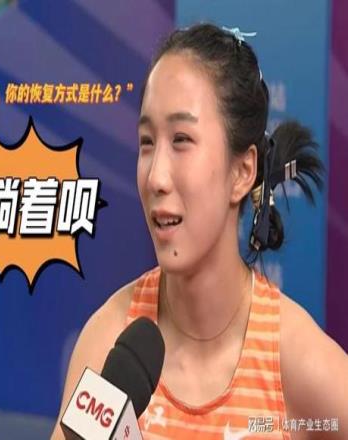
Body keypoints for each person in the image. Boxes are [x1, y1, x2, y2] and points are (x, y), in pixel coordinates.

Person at [51, 23, 347, 439]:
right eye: (147, 141)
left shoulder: (297, 363)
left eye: (182, 140)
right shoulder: (109, 343)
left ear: (242, 171)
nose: (156, 177)